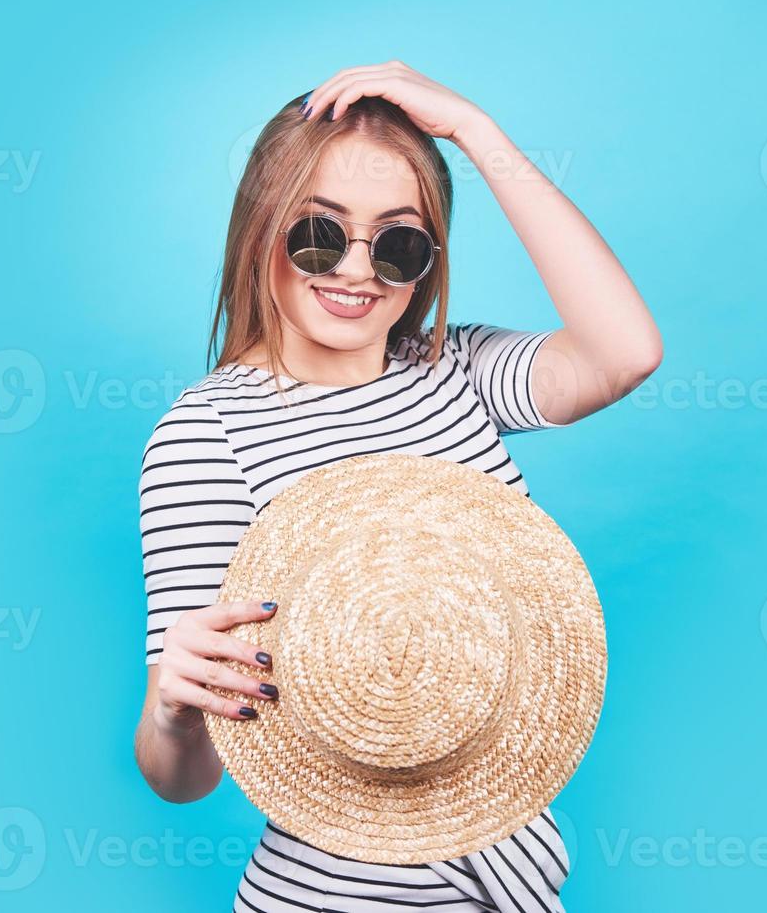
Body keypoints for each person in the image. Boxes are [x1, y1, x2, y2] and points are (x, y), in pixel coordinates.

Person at [134, 60, 662, 912]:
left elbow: (625, 351)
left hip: (515, 887)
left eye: (399, 242)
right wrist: (173, 710)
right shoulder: (207, 438)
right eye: (318, 232)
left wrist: (476, 134)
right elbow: (182, 781)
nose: (356, 270)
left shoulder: (455, 371)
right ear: (260, 227)